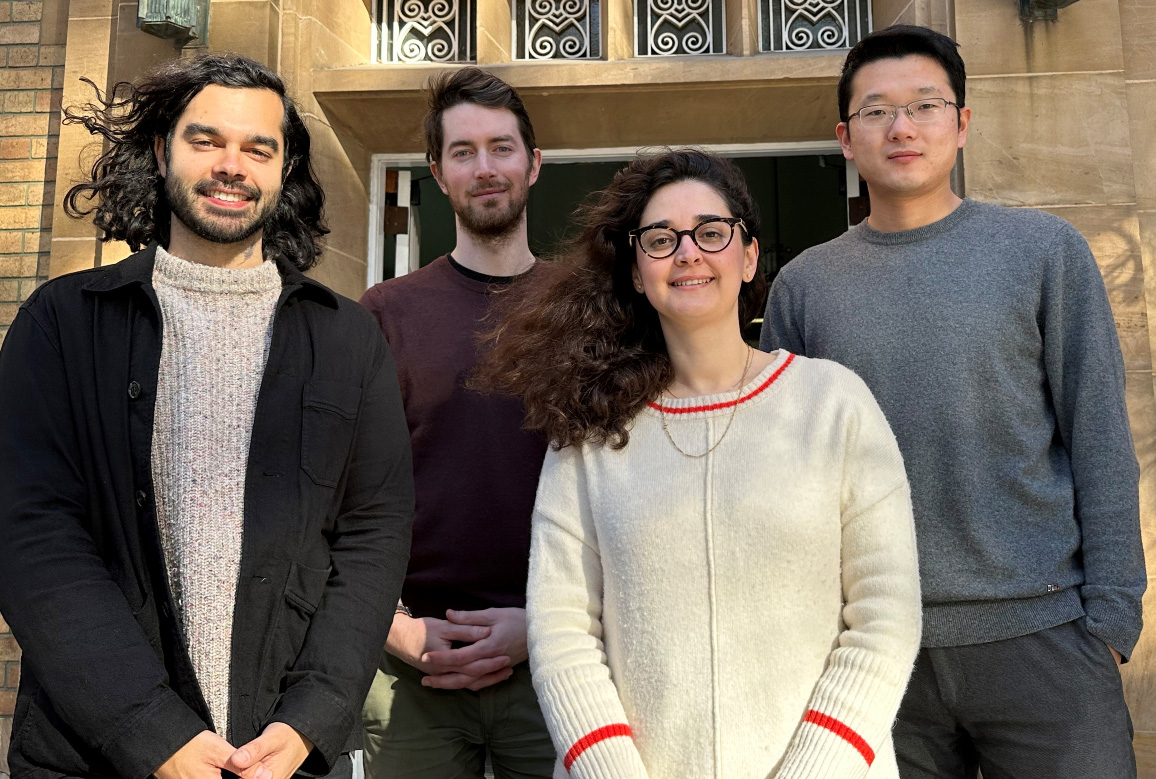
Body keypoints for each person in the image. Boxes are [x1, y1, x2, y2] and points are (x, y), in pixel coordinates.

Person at [0, 54, 414, 779]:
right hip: (92, 752)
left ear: (284, 171)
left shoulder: (348, 338)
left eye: (259, 148)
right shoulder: (63, 323)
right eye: (206, 140)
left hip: (285, 757)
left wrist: (311, 716)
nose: (232, 165)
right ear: (161, 152)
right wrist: (150, 729)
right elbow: (29, 532)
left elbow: (374, 533)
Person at [760, 25, 1145, 779]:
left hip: (1043, 638)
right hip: (874, 650)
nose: (901, 127)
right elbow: (788, 473)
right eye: (876, 111)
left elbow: (1099, 438)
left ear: (962, 123)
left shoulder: (1042, 252)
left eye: (925, 105)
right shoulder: (804, 286)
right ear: (846, 136)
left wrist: (1111, 617)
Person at [475, 148, 922, 778]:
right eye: (660, 239)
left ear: (748, 257)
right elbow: (564, 628)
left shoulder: (834, 404)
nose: (688, 253)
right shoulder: (591, 434)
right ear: (636, 270)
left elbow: (885, 615)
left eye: (711, 233)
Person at [358, 67, 555, 778]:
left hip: (560, 663)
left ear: (533, 163)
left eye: (502, 147)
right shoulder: (384, 313)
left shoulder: (587, 310)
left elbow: (630, 489)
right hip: (416, 668)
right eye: (463, 152)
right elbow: (344, 493)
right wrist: (397, 629)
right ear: (438, 173)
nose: (486, 168)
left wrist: (548, 626)